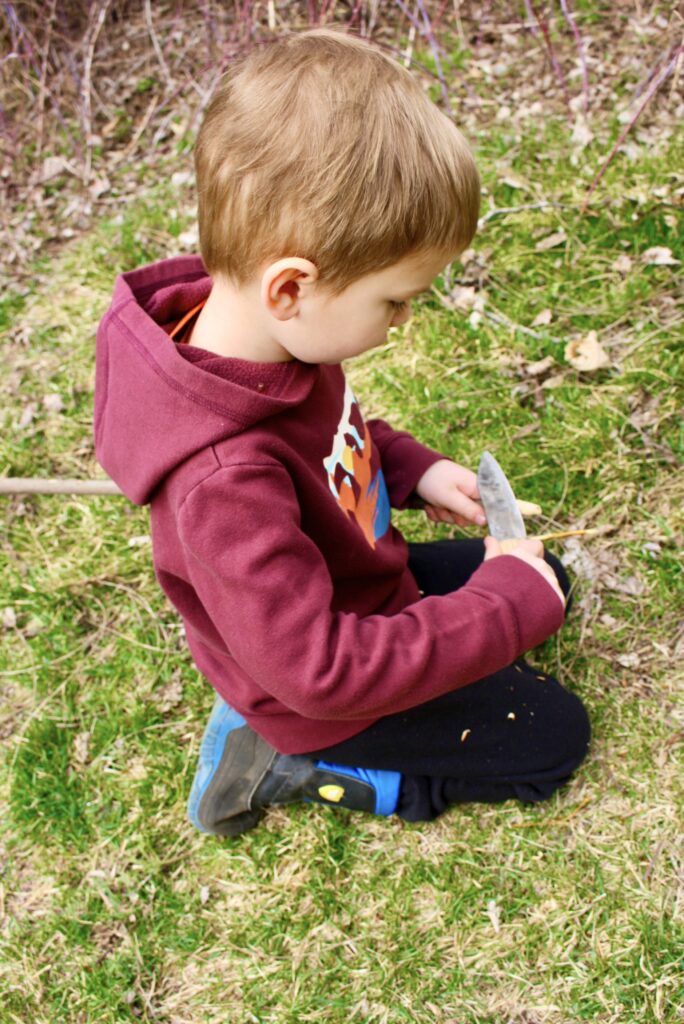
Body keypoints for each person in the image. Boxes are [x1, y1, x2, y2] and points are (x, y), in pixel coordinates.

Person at [94, 27, 590, 836]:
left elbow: (332, 442)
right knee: (551, 740)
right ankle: (294, 767)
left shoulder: (268, 340)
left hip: (355, 586)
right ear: (291, 285)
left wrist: (417, 471)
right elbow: (323, 671)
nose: (402, 321)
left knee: (545, 578)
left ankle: (490, 608)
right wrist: (499, 614)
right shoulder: (222, 481)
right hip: (316, 690)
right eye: (394, 301)